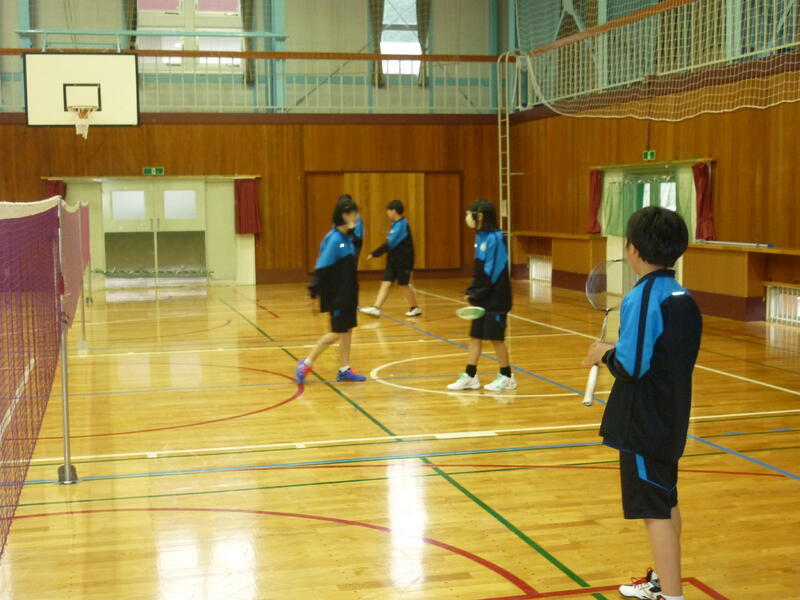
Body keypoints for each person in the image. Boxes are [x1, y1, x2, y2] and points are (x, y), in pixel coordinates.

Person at [583, 206, 702, 600]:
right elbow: (661, 353)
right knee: (665, 501)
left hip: (644, 423)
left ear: (633, 250)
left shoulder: (642, 296)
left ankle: (672, 596)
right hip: (670, 417)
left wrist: (604, 354)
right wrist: (617, 348)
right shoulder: (682, 296)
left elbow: (631, 367)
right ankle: (663, 584)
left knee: (654, 512)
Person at [295, 196, 367, 384]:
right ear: (344, 215)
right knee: (337, 332)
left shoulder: (349, 238)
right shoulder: (334, 240)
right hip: (337, 296)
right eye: (353, 214)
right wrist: (313, 291)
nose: (357, 217)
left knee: (347, 330)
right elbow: (322, 268)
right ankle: (306, 363)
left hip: (349, 293)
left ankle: (344, 369)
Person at [447, 200, 516, 392]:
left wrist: (476, 294)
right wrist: (471, 291)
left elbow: (493, 271)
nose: (468, 217)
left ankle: (507, 376)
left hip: (496, 298)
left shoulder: (496, 238)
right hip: (483, 296)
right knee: (475, 336)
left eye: (471, 213)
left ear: (481, 216)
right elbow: (479, 269)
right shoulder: (481, 236)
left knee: (496, 338)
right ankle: (470, 376)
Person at [360, 199, 421, 318]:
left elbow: (390, 244)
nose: (387, 213)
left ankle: (415, 308)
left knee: (403, 285)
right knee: (386, 283)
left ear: (394, 211)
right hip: (394, 261)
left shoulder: (402, 224)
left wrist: (374, 254)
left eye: (388, 210)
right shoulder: (395, 224)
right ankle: (376, 308)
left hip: (404, 261)